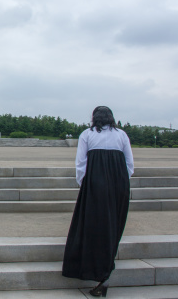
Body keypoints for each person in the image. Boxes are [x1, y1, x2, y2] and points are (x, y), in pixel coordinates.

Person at [62, 106, 134, 297]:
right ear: (111, 118)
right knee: (112, 227)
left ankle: (93, 271)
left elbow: (81, 163)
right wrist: (121, 183)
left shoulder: (87, 134)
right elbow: (129, 164)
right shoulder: (121, 135)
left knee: (92, 226)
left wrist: (83, 184)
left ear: (94, 118)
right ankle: (105, 271)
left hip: (95, 185)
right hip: (119, 185)